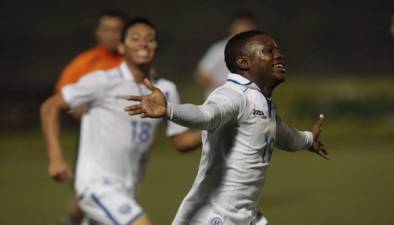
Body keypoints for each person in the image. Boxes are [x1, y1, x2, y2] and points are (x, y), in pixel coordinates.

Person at [124, 30, 329, 225]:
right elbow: (207, 114)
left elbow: (285, 135)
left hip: (244, 216)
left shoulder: (262, 102)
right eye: (269, 51)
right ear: (243, 62)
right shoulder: (233, 94)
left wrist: (309, 140)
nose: (279, 55)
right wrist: (169, 109)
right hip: (212, 217)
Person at [41, 18, 201, 225]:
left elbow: (181, 142)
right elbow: (50, 107)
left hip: (128, 191)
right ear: (121, 46)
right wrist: (55, 158)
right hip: (97, 186)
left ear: (156, 46)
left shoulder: (165, 90)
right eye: (135, 38)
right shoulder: (102, 80)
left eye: (149, 39)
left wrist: (216, 131)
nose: (143, 43)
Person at [54, 10, 127, 225]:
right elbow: (62, 96)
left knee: (122, 197)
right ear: (98, 33)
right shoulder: (86, 62)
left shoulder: (134, 63)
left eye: (118, 30)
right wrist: (89, 116)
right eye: (107, 30)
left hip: (125, 142)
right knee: (81, 199)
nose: (113, 35)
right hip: (91, 141)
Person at [195, 10, 258, 96]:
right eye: (241, 24)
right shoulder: (220, 49)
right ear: (232, 26)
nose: (245, 28)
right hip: (219, 103)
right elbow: (201, 75)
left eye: (248, 25)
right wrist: (223, 90)